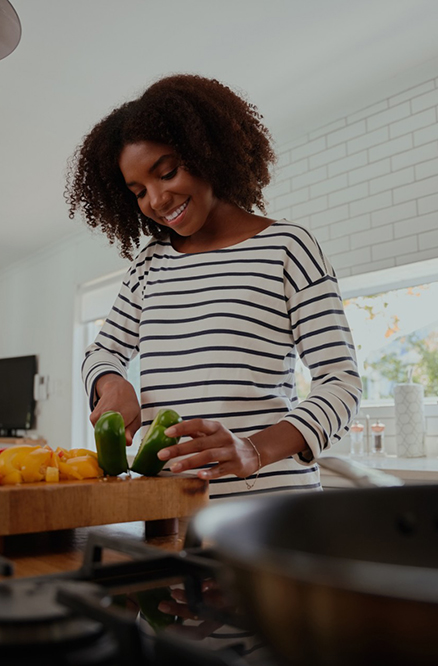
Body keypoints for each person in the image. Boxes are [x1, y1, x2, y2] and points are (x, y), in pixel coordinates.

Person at [66, 74, 361, 499]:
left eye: (166, 173)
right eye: (138, 191)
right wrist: (112, 383)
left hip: (270, 506)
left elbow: (341, 381)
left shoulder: (287, 247)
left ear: (207, 151)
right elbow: (103, 352)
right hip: (171, 512)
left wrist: (253, 450)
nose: (157, 200)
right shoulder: (150, 265)